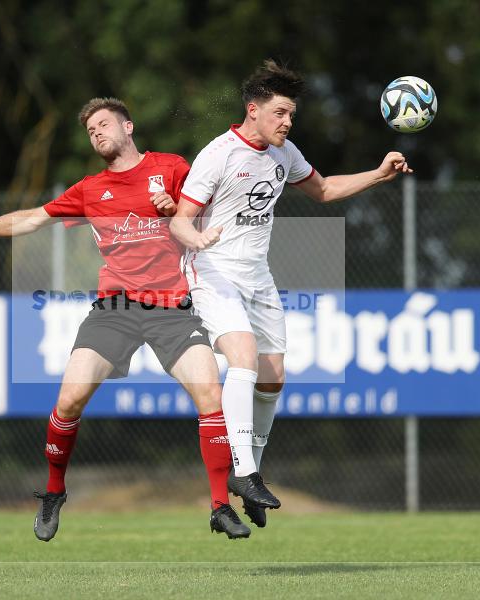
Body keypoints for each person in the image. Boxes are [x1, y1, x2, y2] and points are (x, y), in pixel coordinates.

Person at [0, 98, 252, 540]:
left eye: (104, 124)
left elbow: (212, 212)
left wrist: (177, 208)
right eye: (91, 130)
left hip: (172, 308)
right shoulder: (90, 189)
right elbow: (31, 219)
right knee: (68, 401)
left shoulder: (171, 167)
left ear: (129, 126)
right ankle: (54, 491)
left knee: (210, 395)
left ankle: (220, 505)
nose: (97, 133)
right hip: (114, 310)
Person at [170, 60, 413, 528]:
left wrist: (379, 174)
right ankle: (244, 472)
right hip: (213, 269)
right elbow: (180, 219)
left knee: (273, 376)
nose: (286, 122)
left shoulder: (285, 153)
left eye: (291, 115)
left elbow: (323, 190)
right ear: (253, 110)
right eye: (279, 113)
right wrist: (196, 239)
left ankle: (251, 481)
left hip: (257, 274)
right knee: (242, 356)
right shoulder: (218, 155)